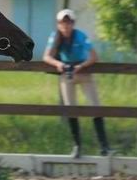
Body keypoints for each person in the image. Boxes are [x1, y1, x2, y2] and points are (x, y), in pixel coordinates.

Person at [43, 9, 110, 158]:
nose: (65, 26)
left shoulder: (80, 36)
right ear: (58, 24)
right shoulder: (55, 37)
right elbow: (46, 57)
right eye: (62, 23)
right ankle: (77, 146)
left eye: (68, 22)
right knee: (70, 109)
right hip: (67, 73)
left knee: (95, 107)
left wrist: (82, 66)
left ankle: (104, 146)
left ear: (73, 23)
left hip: (84, 72)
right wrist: (58, 64)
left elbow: (94, 57)